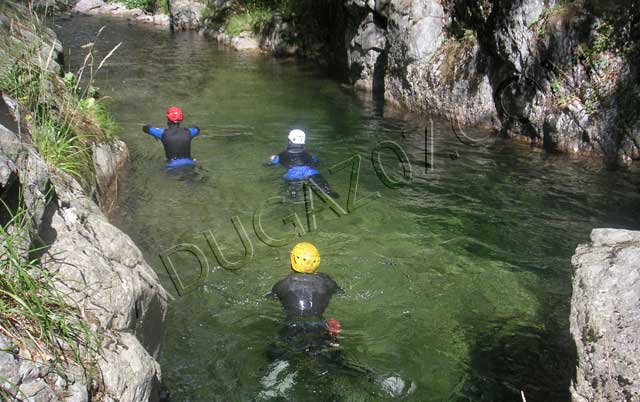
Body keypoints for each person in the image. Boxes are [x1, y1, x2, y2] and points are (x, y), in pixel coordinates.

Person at [266, 129, 338, 200]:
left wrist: (271, 160)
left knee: (293, 195)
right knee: (323, 186)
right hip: (310, 172)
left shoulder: (281, 155)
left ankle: (294, 197)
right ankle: (329, 191)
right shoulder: (308, 154)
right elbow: (316, 161)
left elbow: (273, 162)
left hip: (292, 174)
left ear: (289, 141)